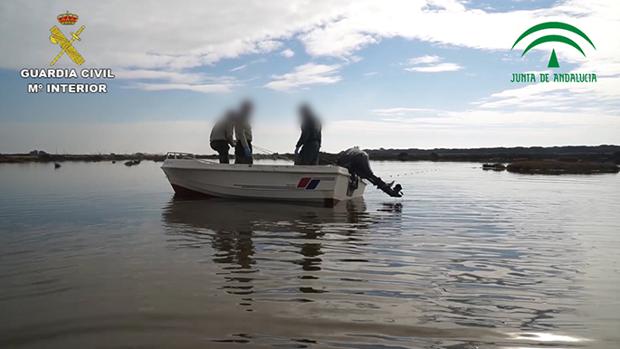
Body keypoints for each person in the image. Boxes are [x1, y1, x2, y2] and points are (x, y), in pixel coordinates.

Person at [337, 147, 403, 197]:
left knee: (367, 175)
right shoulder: (349, 153)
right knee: (368, 175)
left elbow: (348, 168)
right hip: (362, 156)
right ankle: (386, 187)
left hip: (359, 157)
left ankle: (387, 188)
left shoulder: (344, 157)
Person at [234, 100, 254, 164]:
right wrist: (246, 147)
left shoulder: (244, 118)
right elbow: (240, 133)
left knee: (242, 165)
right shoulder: (241, 117)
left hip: (243, 143)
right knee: (246, 165)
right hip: (242, 145)